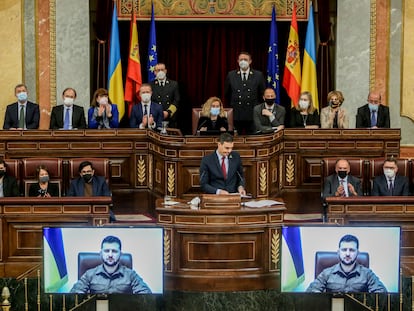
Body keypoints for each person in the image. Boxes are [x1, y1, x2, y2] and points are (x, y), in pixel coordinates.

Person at [70, 235, 152, 294]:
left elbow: (146, 294)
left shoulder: (130, 275)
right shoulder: (90, 274)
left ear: (120, 254)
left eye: (114, 251)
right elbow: (74, 294)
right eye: (106, 251)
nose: (110, 255)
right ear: (101, 253)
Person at [306, 234, 387, 293]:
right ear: (338, 252)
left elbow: (382, 293)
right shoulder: (327, 273)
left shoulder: (367, 274)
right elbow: (310, 292)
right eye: (344, 250)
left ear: (357, 252)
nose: (347, 254)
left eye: (352, 250)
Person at [224, 52, 266, 134]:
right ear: (238, 61)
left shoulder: (258, 75)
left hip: (253, 114)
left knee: (252, 140)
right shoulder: (231, 75)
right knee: (236, 140)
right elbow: (227, 94)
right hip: (236, 115)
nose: (243, 61)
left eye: (245, 59)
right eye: (241, 59)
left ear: (250, 61)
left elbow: (262, 94)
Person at [150, 63, 180, 128]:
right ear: (155, 72)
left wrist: (168, 112)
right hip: (156, 118)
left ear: (165, 71)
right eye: (158, 70)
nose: (160, 72)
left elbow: (176, 100)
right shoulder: (150, 85)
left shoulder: (174, 84)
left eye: (162, 70)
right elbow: (150, 102)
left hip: (170, 118)